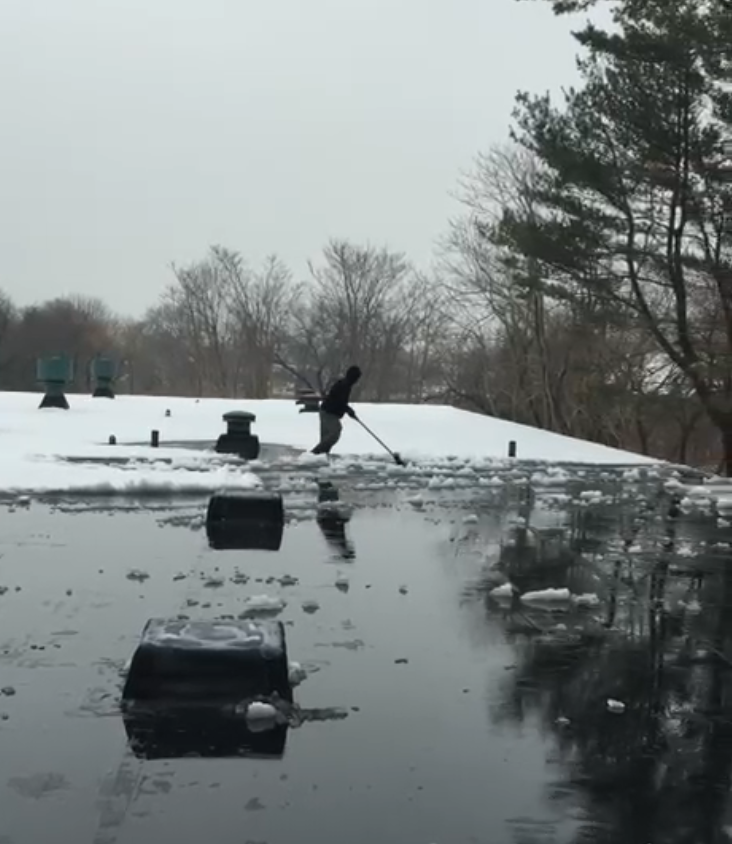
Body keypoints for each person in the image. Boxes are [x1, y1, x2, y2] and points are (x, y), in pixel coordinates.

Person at [311, 365, 362, 455]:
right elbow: (339, 402)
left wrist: (348, 410)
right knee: (335, 432)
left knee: (326, 438)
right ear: (353, 377)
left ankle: (321, 456)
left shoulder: (345, 385)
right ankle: (314, 453)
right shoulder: (344, 385)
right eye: (356, 378)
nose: (357, 381)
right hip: (328, 412)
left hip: (327, 411)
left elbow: (341, 402)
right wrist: (349, 410)